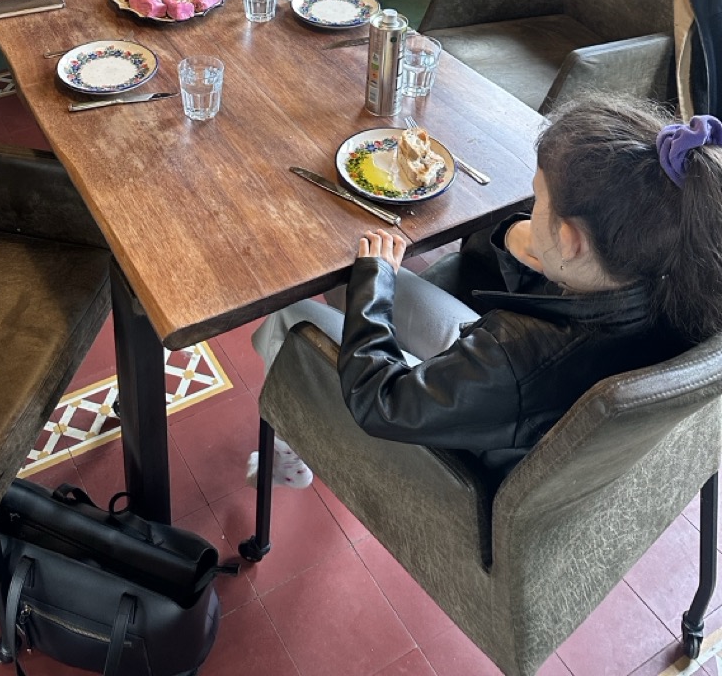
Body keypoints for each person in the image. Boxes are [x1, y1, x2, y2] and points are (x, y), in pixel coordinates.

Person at [251, 97, 722, 489]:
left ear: (573, 241)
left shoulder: (510, 350)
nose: (532, 208)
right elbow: (546, 334)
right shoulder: (668, 279)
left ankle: (293, 448)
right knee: (356, 276)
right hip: (514, 401)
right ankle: (364, 295)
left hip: (461, 444)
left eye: (538, 201)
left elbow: (384, 403)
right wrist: (521, 239)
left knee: (290, 317)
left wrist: (374, 292)